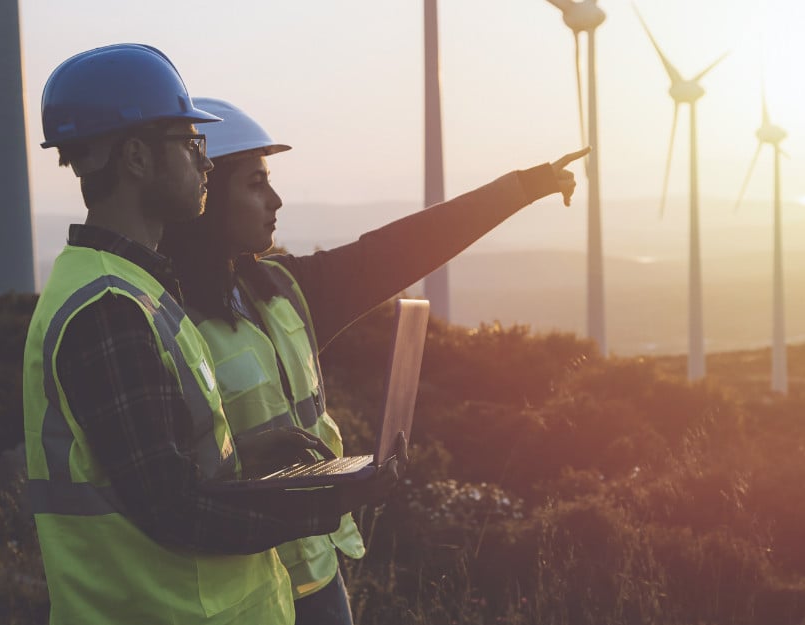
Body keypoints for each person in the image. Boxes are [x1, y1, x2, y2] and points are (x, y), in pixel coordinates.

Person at [157, 97, 588, 624]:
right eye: (255, 184)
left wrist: (524, 186)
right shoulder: (161, 317)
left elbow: (401, 248)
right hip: (232, 594)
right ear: (205, 192)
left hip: (317, 574)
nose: (275, 199)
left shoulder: (284, 289)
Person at [22, 44, 392, 625]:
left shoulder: (136, 289)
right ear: (137, 157)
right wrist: (325, 501)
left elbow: (155, 471)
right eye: (192, 144)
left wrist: (248, 457)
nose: (207, 164)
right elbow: (176, 510)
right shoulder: (109, 310)